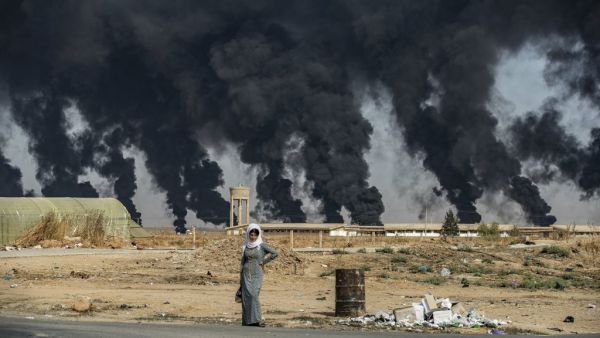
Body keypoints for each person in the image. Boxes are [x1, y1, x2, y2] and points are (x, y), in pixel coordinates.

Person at [239, 223, 278, 327]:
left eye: (255, 235)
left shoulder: (261, 246)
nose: (253, 237)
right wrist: (240, 277)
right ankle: (248, 321)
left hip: (257, 274)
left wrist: (264, 261)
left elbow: (275, 253)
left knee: (254, 295)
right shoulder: (245, 246)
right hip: (246, 274)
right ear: (248, 235)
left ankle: (258, 319)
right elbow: (242, 262)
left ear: (258, 235)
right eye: (251, 235)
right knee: (247, 297)